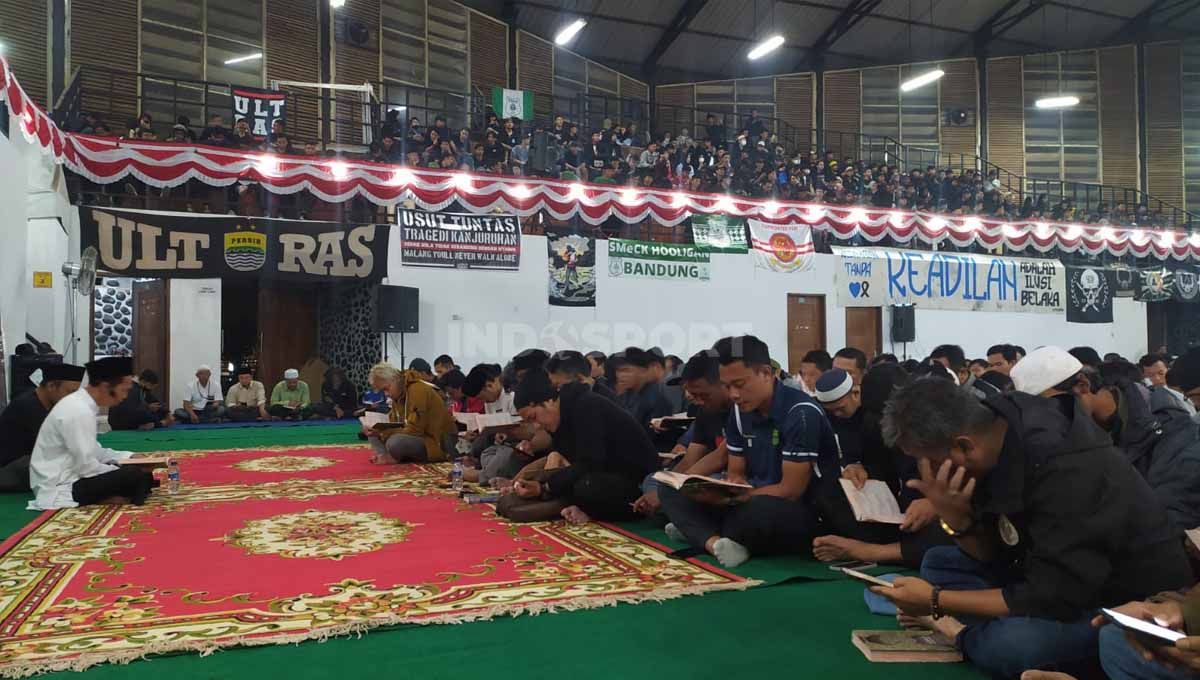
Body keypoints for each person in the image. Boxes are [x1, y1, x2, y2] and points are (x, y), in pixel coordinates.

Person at [872, 378, 1191, 679]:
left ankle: (958, 633)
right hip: (1035, 573)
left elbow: (1050, 594)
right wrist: (957, 520)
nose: (924, 473)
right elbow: (994, 556)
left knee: (1012, 646)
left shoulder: (1067, 468)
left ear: (964, 447)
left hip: (1116, 600)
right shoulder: (996, 429)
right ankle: (979, 626)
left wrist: (937, 602)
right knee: (940, 563)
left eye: (928, 462)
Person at [659, 335, 838, 568]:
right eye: (726, 386)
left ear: (766, 373)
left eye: (739, 385)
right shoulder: (739, 411)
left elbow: (791, 491)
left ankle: (700, 530)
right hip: (750, 498)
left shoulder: (800, 413)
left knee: (756, 511)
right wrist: (724, 490)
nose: (733, 394)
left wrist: (739, 498)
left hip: (798, 509)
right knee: (669, 489)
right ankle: (714, 541)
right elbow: (737, 473)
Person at [1012, 347, 1200, 534]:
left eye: (1053, 405)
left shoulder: (1173, 430)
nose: (1050, 417)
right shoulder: (1076, 435)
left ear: (1083, 386)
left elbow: (1168, 515)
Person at [810, 366, 949, 568]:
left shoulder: (937, 424)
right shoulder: (872, 420)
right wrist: (860, 468)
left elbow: (974, 491)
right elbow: (879, 465)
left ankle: (871, 551)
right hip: (902, 510)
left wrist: (935, 504)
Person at [500, 370, 657, 525]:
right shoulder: (562, 416)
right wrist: (538, 482)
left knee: (586, 486)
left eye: (533, 417)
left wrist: (545, 487)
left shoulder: (586, 406)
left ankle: (572, 506)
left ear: (548, 401)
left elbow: (591, 462)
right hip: (602, 473)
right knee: (507, 504)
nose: (536, 425)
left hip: (635, 482)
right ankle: (569, 504)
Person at [28, 357, 158, 510]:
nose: (124, 397)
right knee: (134, 476)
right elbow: (86, 466)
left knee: (141, 475)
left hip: (74, 476)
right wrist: (119, 470)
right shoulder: (78, 410)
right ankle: (106, 496)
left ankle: (114, 493)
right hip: (60, 485)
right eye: (124, 390)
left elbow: (94, 450)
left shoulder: (84, 406)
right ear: (105, 386)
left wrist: (128, 457)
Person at [635, 351, 733, 516]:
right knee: (653, 480)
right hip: (701, 473)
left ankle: (680, 516)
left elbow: (721, 457)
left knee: (704, 488)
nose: (694, 398)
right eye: (689, 392)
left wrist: (672, 489)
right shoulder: (705, 411)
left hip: (725, 477)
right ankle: (680, 514)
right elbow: (690, 459)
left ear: (723, 383)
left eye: (702, 394)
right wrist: (670, 484)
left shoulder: (741, 409)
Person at [0, 363, 84, 492]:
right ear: (51, 386)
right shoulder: (27, 406)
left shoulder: (48, 404)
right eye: (71, 392)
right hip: (10, 471)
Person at [366, 363, 456, 464]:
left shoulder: (417, 390)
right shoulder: (398, 394)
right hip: (415, 437)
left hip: (436, 442)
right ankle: (385, 455)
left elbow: (415, 430)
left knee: (395, 442)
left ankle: (392, 457)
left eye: (386, 389)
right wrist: (378, 430)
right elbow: (396, 423)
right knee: (372, 432)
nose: (387, 394)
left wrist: (383, 433)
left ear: (395, 380)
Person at [108, 370, 173, 431]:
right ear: (145, 382)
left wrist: (167, 413)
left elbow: (154, 401)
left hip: (126, 416)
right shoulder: (133, 389)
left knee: (155, 414)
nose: (152, 389)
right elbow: (136, 412)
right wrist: (161, 423)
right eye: (151, 386)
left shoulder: (141, 388)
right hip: (120, 423)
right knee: (151, 420)